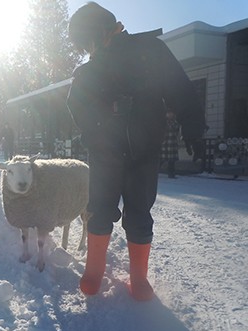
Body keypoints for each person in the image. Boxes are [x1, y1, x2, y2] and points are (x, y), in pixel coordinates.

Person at [66, 2, 205, 301]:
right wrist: (97, 129)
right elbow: (76, 104)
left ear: (100, 32)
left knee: (140, 212)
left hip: (143, 151)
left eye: (86, 43)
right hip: (105, 154)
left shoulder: (149, 51)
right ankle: (94, 270)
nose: (87, 50)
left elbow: (180, 88)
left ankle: (138, 278)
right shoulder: (88, 71)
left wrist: (194, 127)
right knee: (100, 209)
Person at [161, 110, 181, 178]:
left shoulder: (175, 123)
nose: (169, 115)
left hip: (172, 143)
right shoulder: (163, 122)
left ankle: (171, 174)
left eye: (171, 113)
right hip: (164, 143)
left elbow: (177, 129)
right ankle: (155, 172)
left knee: (171, 161)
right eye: (168, 113)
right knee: (161, 159)